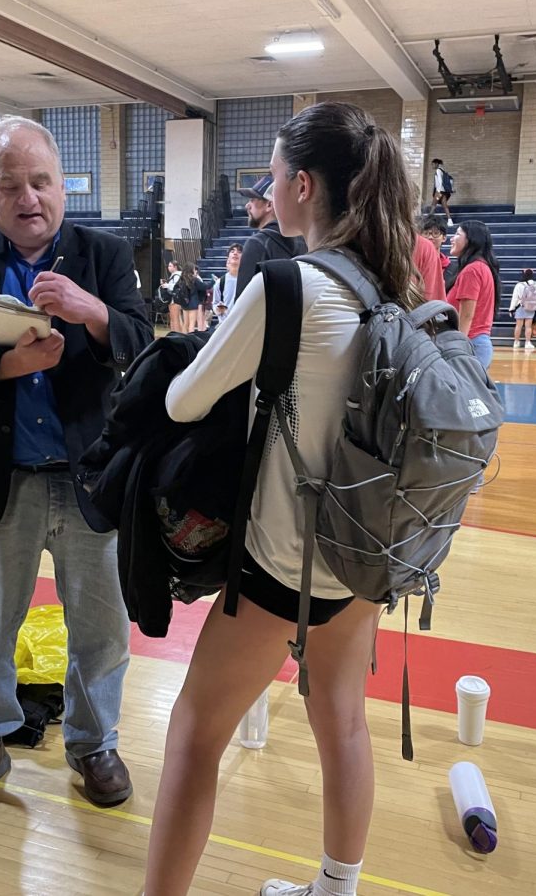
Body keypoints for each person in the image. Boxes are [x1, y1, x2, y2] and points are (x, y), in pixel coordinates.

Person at [144, 101, 427, 896]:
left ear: (303, 186)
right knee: (340, 719)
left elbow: (184, 403)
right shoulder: (390, 285)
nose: (267, 188)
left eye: (272, 175)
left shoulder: (286, 286)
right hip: (363, 551)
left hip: (281, 563)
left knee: (196, 735)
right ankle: (335, 889)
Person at [0, 115, 152, 821]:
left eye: (41, 182)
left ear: (63, 186)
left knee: (102, 629)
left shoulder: (105, 253)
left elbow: (143, 344)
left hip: (91, 478)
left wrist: (94, 313)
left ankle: (92, 742)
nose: (29, 197)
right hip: (0, 478)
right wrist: (7, 365)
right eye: (10, 184)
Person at [234, 173, 307, 296]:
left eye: (252, 200)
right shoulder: (304, 243)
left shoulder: (257, 244)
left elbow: (243, 305)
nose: (247, 205)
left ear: (269, 205)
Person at [446, 220, 500, 369]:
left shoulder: (472, 270)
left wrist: (458, 349)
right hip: (476, 345)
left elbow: (466, 316)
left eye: (457, 234)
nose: (452, 238)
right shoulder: (481, 267)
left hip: (470, 345)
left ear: (471, 240)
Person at [421, 215, 457, 292]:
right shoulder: (412, 266)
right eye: (426, 233)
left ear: (444, 238)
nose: (430, 237)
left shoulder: (454, 270)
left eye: (436, 233)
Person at [509, 269, 536, 350]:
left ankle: (516, 342)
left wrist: (511, 308)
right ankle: (527, 343)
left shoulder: (519, 285)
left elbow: (515, 297)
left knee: (518, 326)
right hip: (531, 307)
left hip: (521, 306)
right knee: (528, 326)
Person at [212, 243, 242, 321]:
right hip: (225, 325)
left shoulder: (248, 280)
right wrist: (218, 309)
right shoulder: (220, 282)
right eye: (232, 251)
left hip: (243, 324)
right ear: (228, 259)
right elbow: (215, 303)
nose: (235, 253)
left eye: (239, 252)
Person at [176, 263, 208, 333]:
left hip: (184, 303)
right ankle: (190, 340)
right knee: (192, 324)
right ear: (191, 270)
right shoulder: (194, 279)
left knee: (185, 324)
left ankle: (184, 339)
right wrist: (213, 281)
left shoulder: (181, 279)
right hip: (193, 304)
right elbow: (204, 287)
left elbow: (175, 288)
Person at [428, 158, 454, 227]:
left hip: (439, 191)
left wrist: (438, 192)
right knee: (445, 206)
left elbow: (439, 182)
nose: (432, 166)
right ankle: (450, 220)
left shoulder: (438, 170)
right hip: (444, 192)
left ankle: (428, 220)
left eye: (433, 164)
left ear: (436, 164)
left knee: (433, 205)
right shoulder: (443, 171)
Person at [159, 260, 183, 332]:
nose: (168, 268)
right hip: (173, 299)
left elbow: (175, 286)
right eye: (168, 266)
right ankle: (174, 333)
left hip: (175, 299)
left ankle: (176, 334)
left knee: (175, 318)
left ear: (175, 267)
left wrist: (166, 285)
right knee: (174, 318)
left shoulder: (177, 275)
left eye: (170, 266)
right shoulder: (174, 275)